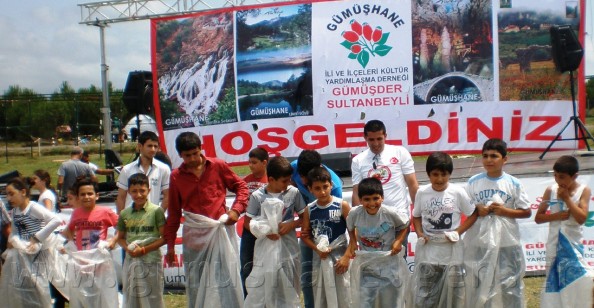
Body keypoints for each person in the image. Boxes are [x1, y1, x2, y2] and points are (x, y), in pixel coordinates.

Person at [164, 131, 249, 308]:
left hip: (220, 232)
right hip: (195, 236)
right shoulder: (176, 176)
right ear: (180, 155)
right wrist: (170, 246)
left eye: (195, 153)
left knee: (227, 279)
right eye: (188, 156)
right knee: (197, 282)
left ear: (201, 149)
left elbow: (241, 187)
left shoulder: (217, 165)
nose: (193, 158)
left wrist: (236, 211)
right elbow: (173, 214)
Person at [464, 138, 531, 307]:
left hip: (507, 242)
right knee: (481, 282)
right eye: (485, 156)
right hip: (480, 241)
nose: (489, 160)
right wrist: (478, 208)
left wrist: (504, 211)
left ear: (504, 159)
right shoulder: (473, 182)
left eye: (494, 156)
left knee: (510, 283)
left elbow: (526, 211)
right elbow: (467, 208)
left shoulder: (513, 183)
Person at [411, 152, 478, 307]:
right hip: (429, 250)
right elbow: (416, 216)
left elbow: (473, 214)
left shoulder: (457, 192)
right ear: (428, 174)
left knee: (454, 290)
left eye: (444, 174)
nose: (439, 179)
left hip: (452, 249)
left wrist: (457, 232)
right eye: (435, 174)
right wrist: (420, 233)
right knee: (427, 290)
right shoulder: (422, 192)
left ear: (450, 174)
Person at [243, 156, 307, 307]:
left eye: (290, 179)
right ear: (271, 179)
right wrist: (264, 230)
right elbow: (247, 223)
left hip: (289, 250)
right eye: (284, 181)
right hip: (265, 250)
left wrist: (292, 224)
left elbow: (305, 217)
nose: (288, 183)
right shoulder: (257, 196)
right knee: (267, 286)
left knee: (291, 284)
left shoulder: (293, 193)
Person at [535, 155, 594, 307]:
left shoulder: (584, 190)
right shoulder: (550, 190)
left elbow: (582, 218)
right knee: (553, 280)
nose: (558, 181)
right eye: (555, 176)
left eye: (562, 177)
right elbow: (538, 217)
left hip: (573, 243)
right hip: (554, 243)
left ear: (575, 176)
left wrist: (567, 199)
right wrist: (556, 216)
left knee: (579, 278)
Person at [344, 177, 410, 307]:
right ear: (360, 200)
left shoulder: (389, 213)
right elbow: (350, 227)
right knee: (366, 303)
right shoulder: (355, 214)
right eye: (367, 199)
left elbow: (406, 224)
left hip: (389, 266)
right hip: (366, 267)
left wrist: (398, 241)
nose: (372, 203)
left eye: (375, 198)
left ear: (382, 198)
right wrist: (352, 242)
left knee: (390, 303)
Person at [290, 149, 343, 308]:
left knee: (332, 277)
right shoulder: (294, 167)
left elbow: (336, 221)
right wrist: (303, 223)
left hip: (328, 236)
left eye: (306, 176)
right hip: (307, 229)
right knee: (306, 277)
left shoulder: (335, 187)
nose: (302, 179)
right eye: (300, 174)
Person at [0, 177, 62, 307]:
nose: (9, 198)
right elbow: (15, 231)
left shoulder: (33, 207)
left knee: (41, 286)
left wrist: (37, 238)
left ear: (23, 192)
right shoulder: (16, 211)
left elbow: (55, 220)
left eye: (12, 194)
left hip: (39, 254)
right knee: (23, 286)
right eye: (7, 195)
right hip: (24, 254)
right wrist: (12, 240)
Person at [61, 177, 119, 308]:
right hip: (82, 262)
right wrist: (72, 245)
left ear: (97, 196)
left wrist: (113, 240)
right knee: (84, 294)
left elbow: (121, 227)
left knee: (102, 295)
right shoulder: (76, 213)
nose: (86, 197)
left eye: (90, 193)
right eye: (82, 194)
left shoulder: (105, 212)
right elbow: (68, 231)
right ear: (78, 197)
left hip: (100, 261)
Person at [300, 166, 351, 308]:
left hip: (340, 259)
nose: (322, 191)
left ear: (331, 185)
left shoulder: (342, 205)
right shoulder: (309, 209)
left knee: (344, 295)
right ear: (310, 189)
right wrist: (317, 249)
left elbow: (354, 234)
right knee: (322, 295)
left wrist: (346, 257)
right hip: (320, 259)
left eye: (325, 187)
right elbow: (305, 236)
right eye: (317, 188)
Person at [116, 173, 166, 308]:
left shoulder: (156, 211)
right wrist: (128, 249)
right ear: (128, 192)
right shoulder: (124, 213)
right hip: (131, 260)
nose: (138, 195)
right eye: (134, 191)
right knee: (132, 296)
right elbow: (120, 238)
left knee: (153, 296)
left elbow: (164, 238)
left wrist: (143, 250)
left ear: (149, 190)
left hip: (151, 260)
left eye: (142, 191)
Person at [351, 119, 419, 214]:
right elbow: (356, 192)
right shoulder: (357, 160)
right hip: (373, 217)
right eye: (371, 139)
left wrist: (418, 212)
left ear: (385, 136)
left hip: (399, 213)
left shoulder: (400, 152)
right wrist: (357, 219)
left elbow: (412, 184)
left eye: (379, 139)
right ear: (365, 138)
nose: (376, 144)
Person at [116, 131, 170, 213]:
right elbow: (121, 197)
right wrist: (121, 219)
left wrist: (158, 215)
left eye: (155, 146)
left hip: (152, 220)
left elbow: (168, 196)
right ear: (140, 146)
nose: (153, 149)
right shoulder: (127, 169)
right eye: (149, 146)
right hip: (131, 219)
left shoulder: (163, 169)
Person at [240, 147, 269, 297]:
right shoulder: (244, 182)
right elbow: (241, 204)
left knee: (269, 267)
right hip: (249, 229)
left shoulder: (272, 180)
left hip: (268, 230)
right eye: (249, 162)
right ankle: (248, 299)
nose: (250, 165)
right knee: (246, 267)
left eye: (254, 162)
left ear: (264, 163)